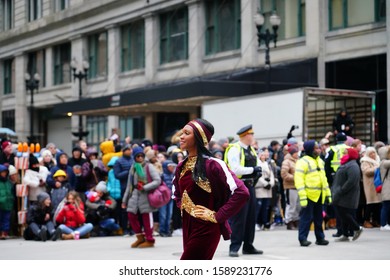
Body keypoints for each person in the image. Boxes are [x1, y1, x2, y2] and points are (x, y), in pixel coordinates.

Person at [173, 118, 249, 260]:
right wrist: (187, 208)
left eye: (186, 133)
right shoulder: (181, 166)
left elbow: (242, 192)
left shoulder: (214, 164)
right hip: (188, 226)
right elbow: (177, 194)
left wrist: (217, 215)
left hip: (206, 228)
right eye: (182, 133)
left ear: (199, 138)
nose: (181, 136)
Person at [224, 124, 262, 257]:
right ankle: (234, 247)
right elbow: (235, 169)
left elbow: (258, 164)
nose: (253, 136)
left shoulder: (251, 149)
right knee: (239, 218)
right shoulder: (235, 149)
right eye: (251, 134)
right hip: (239, 187)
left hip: (250, 186)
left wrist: (258, 170)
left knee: (251, 217)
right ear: (245, 135)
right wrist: (253, 170)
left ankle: (248, 246)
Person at [294, 140, 332, 247]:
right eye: (316, 148)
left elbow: (324, 179)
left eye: (319, 148)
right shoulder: (302, 162)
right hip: (308, 195)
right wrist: (303, 197)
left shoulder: (320, 161)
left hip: (319, 194)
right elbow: (299, 180)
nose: (319, 150)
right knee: (306, 218)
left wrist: (328, 193)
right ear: (310, 150)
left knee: (319, 218)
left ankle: (320, 238)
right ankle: (303, 239)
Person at [122, 146, 161, 248]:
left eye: (141, 156)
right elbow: (129, 185)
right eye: (137, 156)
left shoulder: (148, 166)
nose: (140, 158)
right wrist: (124, 200)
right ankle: (140, 237)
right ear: (134, 157)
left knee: (146, 217)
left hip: (146, 195)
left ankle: (150, 239)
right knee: (131, 215)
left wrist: (145, 187)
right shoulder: (133, 167)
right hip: (134, 195)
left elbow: (157, 180)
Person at [332, 148, 363, 241]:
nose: (343, 155)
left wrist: (341, 190)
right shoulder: (346, 164)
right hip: (341, 193)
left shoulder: (353, 166)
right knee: (342, 213)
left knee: (344, 212)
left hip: (347, 194)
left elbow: (351, 181)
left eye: (345, 153)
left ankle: (357, 228)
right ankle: (345, 234)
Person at [113, 144, 134, 236]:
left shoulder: (134, 160)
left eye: (130, 149)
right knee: (124, 210)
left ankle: (133, 228)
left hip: (134, 188)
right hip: (124, 188)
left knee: (134, 209)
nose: (130, 151)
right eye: (127, 149)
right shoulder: (118, 161)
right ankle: (125, 228)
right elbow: (117, 175)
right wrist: (128, 172)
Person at [360, 147, 381, 228]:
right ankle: (366, 221)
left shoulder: (378, 160)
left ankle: (375, 220)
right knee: (370, 204)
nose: (373, 155)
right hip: (370, 185)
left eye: (374, 153)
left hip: (377, 184)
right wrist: (377, 168)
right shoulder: (364, 161)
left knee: (377, 204)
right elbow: (366, 171)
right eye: (371, 153)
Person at [255, 148, 275, 231]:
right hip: (260, 187)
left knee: (266, 207)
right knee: (258, 207)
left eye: (264, 155)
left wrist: (271, 183)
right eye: (261, 155)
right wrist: (264, 183)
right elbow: (257, 175)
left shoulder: (268, 164)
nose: (263, 156)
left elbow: (272, 174)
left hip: (268, 188)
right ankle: (256, 223)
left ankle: (265, 222)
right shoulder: (257, 164)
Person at [281, 146, 301, 230]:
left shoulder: (298, 161)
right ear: (292, 154)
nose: (297, 154)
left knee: (298, 205)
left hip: (298, 186)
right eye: (296, 153)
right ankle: (289, 221)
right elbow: (284, 174)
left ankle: (295, 220)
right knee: (291, 205)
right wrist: (296, 177)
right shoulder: (286, 162)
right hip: (290, 187)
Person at [159, 160, 176, 237]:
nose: (172, 167)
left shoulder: (173, 175)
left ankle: (167, 230)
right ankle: (162, 230)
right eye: (171, 166)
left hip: (171, 198)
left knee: (169, 214)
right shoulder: (162, 175)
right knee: (163, 215)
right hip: (163, 198)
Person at [378, 146, 390, 231]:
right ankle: (383, 224)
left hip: (387, 187)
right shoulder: (384, 162)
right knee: (386, 206)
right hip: (387, 188)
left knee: (387, 206)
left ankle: (386, 223)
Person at [0, 164, 13, 239]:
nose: (4, 174)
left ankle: (4, 233)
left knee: (6, 218)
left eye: (5, 172)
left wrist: (11, 198)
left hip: (8, 202)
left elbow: (10, 191)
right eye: (2, 172)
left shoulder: (8, 182)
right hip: (1, 202)